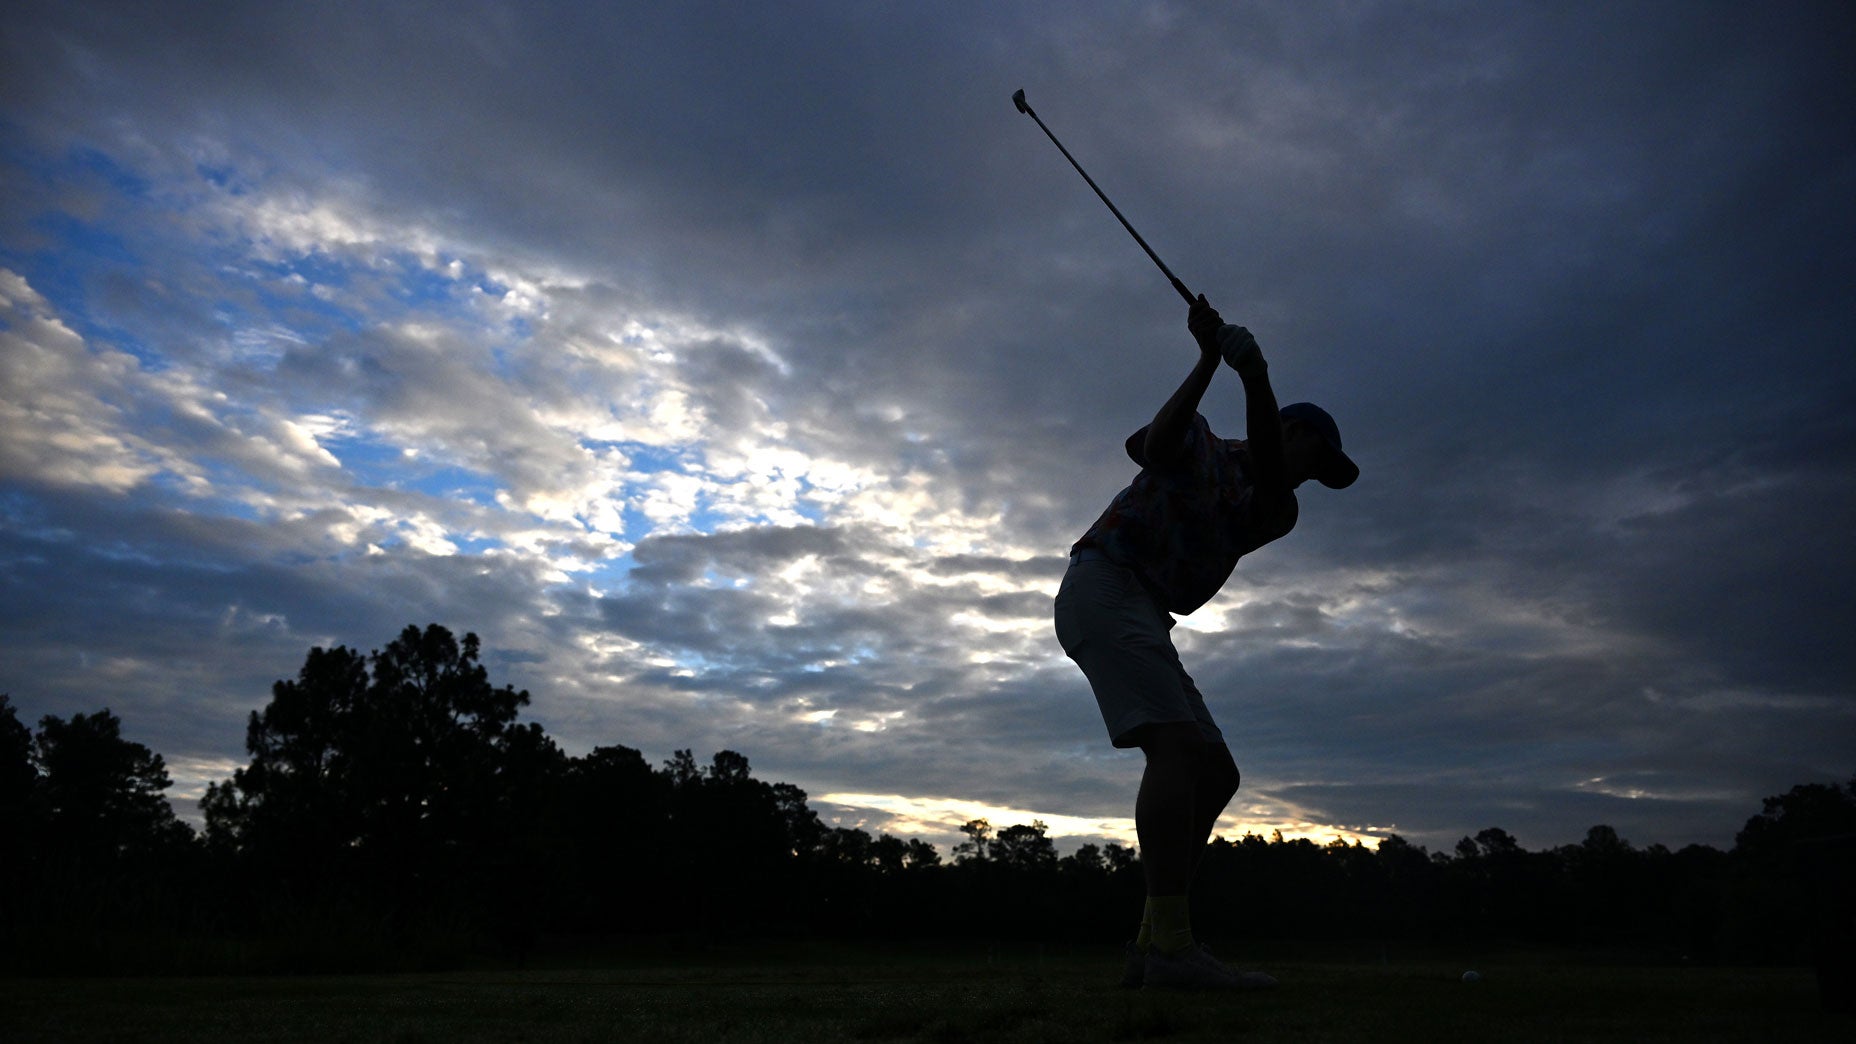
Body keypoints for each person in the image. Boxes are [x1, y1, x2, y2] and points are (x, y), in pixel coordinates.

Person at [1054, 294, 1357, 990]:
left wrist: (1254, 376)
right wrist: (1208, 362)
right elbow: (1157, 446)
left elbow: (1275, 475)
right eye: (1320, 453)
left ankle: (1151, 944)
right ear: (1289, 429)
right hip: (1103, 586)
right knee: (1179, 749)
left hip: (1144, 610)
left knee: (1216, 773)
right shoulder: (1203, 442)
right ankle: (1172, 949)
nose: (1318, 471)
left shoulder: (1278, 507)